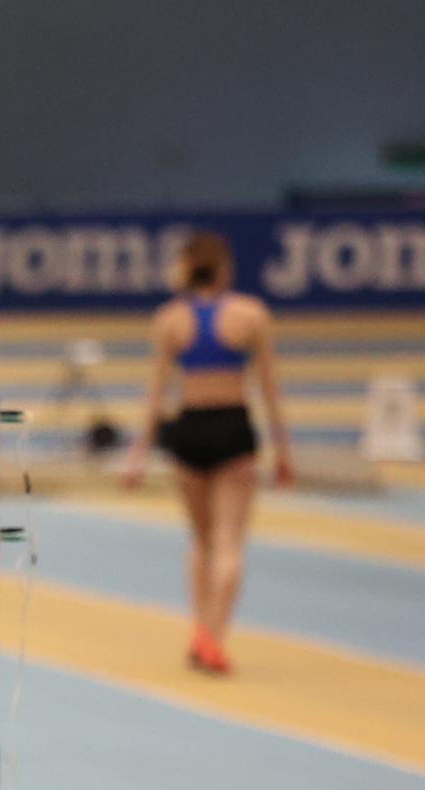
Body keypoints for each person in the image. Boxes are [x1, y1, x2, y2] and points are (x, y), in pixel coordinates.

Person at [122, 229, 295, 675]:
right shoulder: (250, 314)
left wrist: (136, 456)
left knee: (201, 541)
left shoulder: (169, 319)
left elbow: (155, 392)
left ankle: (199, 630)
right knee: (229, 543)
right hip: (232, 428)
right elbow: (270, 388)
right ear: (223, 269)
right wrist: (283, 451)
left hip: (190, 430)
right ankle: (213, 638)